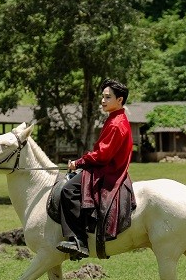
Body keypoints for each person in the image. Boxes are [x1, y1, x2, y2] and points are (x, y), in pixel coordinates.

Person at [57, 79, 134, 260]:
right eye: (102, 97)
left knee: (68, 190)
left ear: (120, 100)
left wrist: (79, 162)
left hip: (108, 170)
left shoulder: (116, 124)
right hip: (106, 166)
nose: (103, 101)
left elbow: (103, 156)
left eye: (108, 97)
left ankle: (80, 241)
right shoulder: (115, 118)